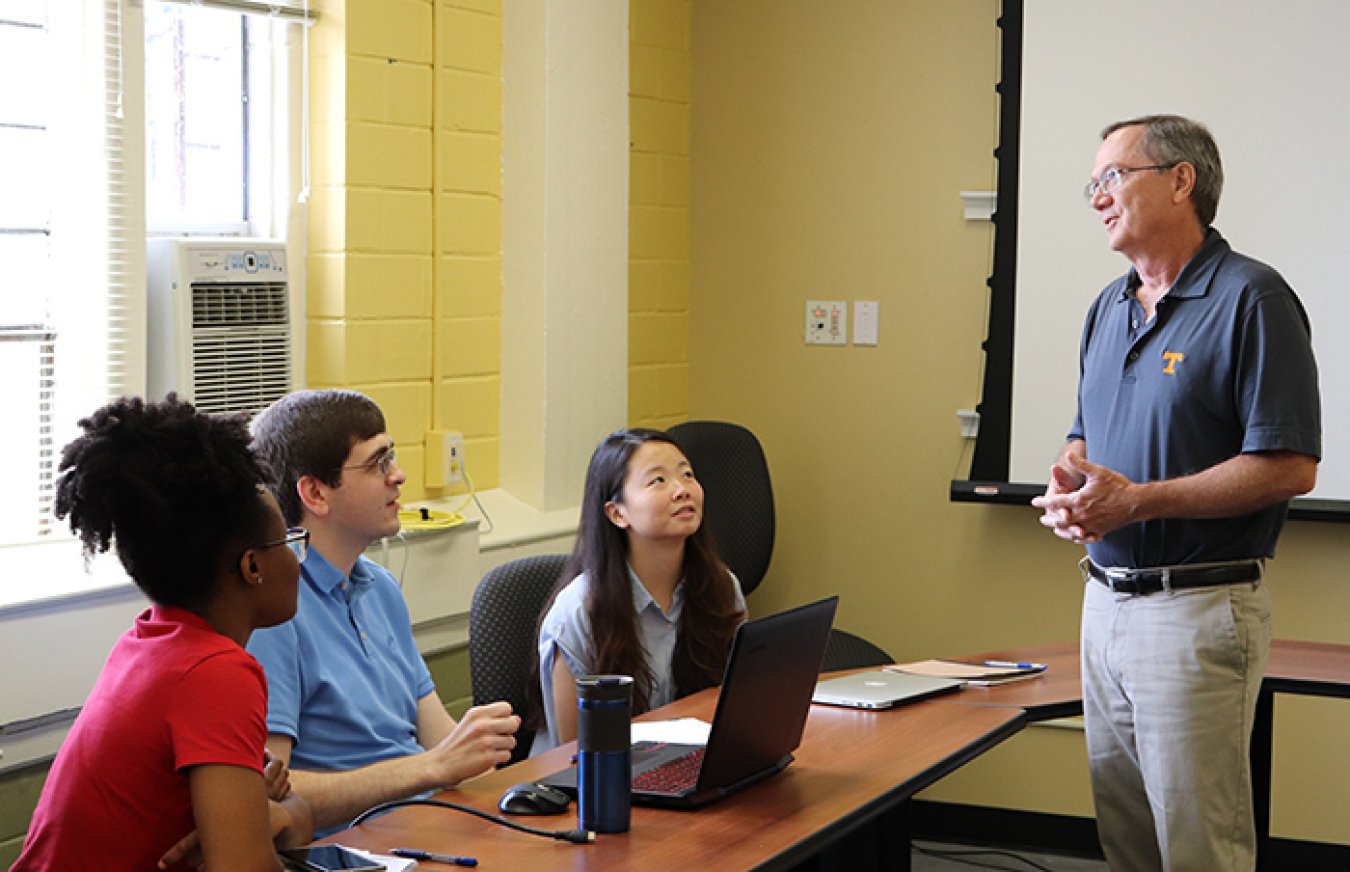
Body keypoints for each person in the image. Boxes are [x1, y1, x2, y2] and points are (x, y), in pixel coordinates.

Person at [1031, 115, 1320, 872]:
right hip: (1103, 604)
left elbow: (1290, 466)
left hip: (1196, 611)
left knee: (1199, 848)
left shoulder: (1251, 298)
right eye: (1092, 183)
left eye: (1113, 177)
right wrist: (1072, 484)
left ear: (1180, 180)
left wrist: (1138, 502)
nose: (1097, 197)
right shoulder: (1107, 306)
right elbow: (1082, 437)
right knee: (1125, 840)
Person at [12, 395, 312, 872]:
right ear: (252, 566)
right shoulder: (217, 674)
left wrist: (266, 813)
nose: (297, 560)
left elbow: (294, 817)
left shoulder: (150, 643)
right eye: (289, 543)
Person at [246, 389, 519, 834]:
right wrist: (432, 768)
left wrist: (513, 785)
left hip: (427, 825)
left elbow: (442, 740)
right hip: (356, 847)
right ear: (316, 492)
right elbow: (272, 793)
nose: (399, 475)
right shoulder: (273, 612)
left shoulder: (381, 587)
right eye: (378, 463)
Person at [532, 428, 747, 752]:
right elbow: (576, 756)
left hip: (691, 766)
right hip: (596, 782)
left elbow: (737, 705)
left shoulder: (722, 587)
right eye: (658, 481)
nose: (682, 490)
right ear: (617, 513)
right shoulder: (578, 612)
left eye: (687, 475)